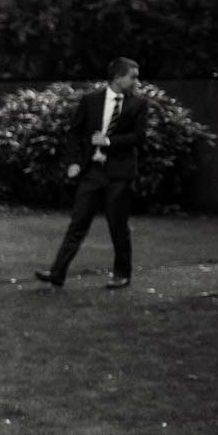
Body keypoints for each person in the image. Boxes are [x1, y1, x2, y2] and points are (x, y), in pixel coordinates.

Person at [35, 57, 148, 290]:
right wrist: (73, 162)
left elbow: (139, 138)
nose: (136, 81)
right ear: (118, 77)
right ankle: (57, 273)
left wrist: (108, 141)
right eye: (133, 77)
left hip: (119, 173)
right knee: (78, 222)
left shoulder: (138, 104)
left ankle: (122, 274)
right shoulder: (91, 100)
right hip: (93, 172)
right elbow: (75, 133)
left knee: (117, 224)